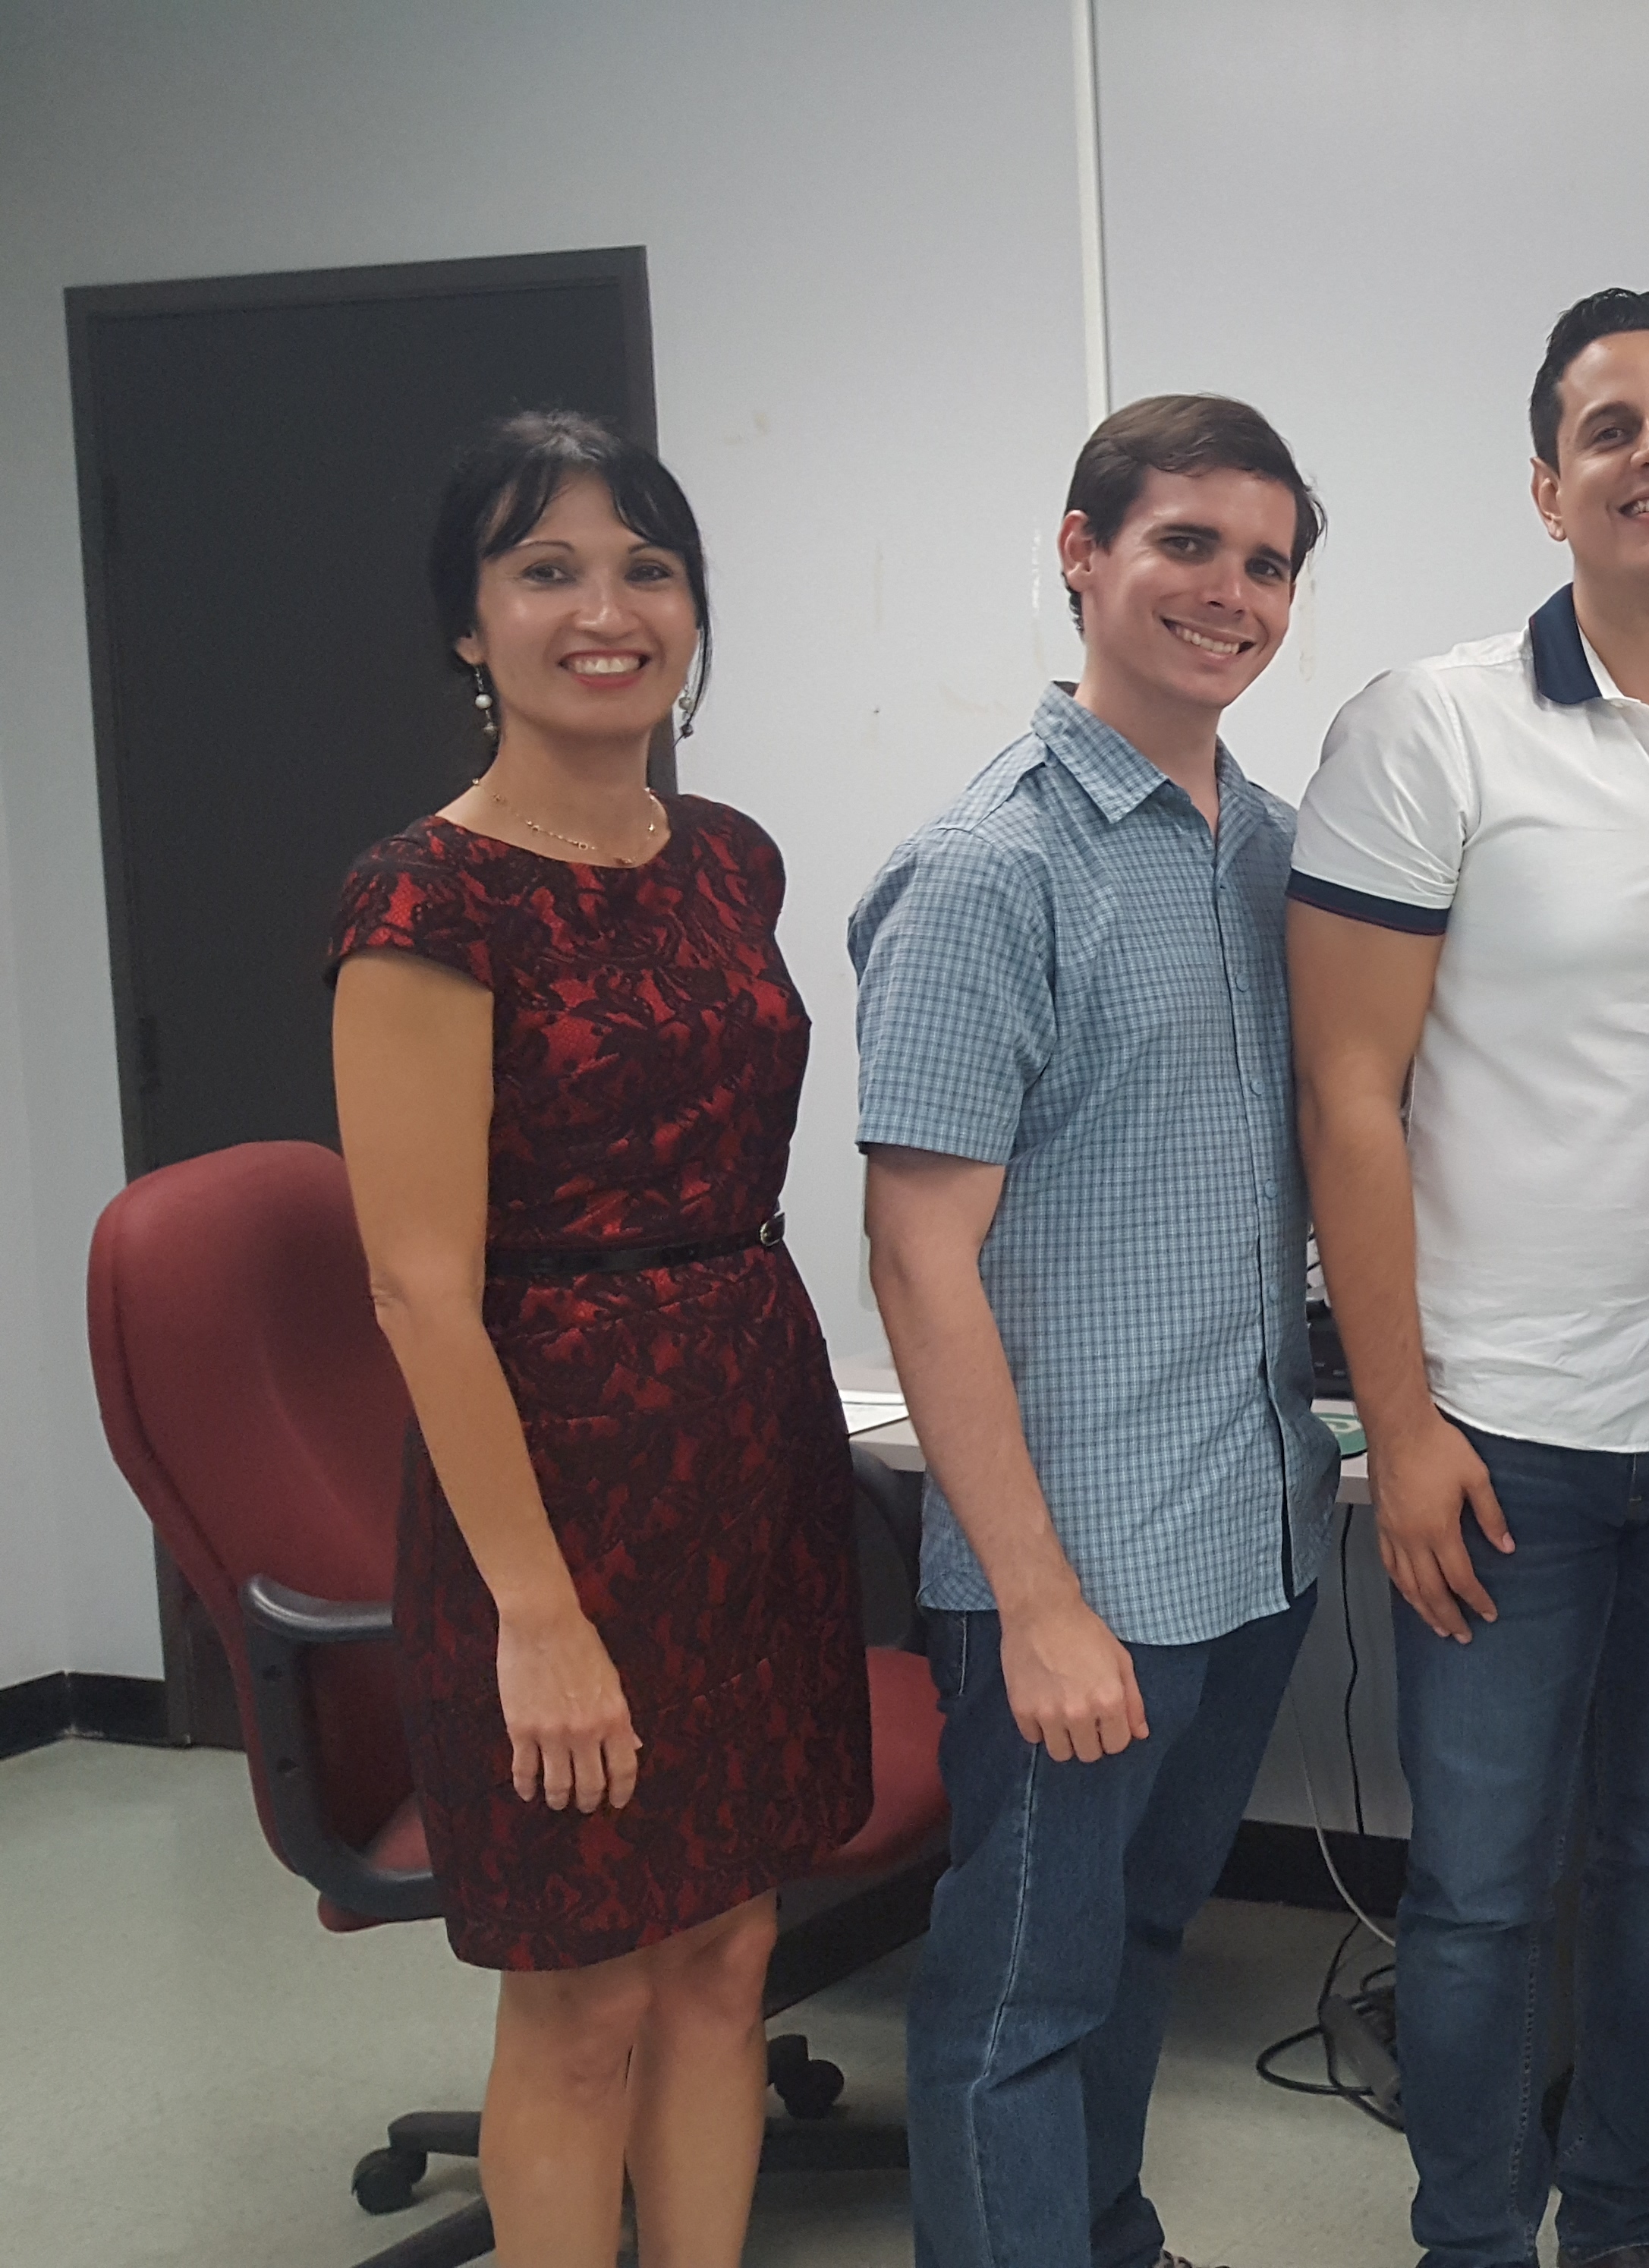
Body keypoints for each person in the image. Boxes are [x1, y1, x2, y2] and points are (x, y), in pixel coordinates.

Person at [1287, 288, 1649, 2268]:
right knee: (1472, 1889)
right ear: (1550, 487)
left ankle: (1622, 2220)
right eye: (1607, 426)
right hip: (1504, 1428)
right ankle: (1472, 2238)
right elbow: (1349, 1099)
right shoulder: (1431, 725)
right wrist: (1404, 1421)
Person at [329, 409, 870, 2268]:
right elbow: (418, 1287)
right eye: (544, 568)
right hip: (551, 1493)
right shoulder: (426, 898)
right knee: (583, 2000)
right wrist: (536, 1619)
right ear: (468, 627)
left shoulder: (734, 860)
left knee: (728, 1953)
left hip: (750, 1451)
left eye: (646, 565)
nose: (605, 608)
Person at [851, 393, 1343, 2268]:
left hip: (1250, 1535)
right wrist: (1037, 1597)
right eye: (1184, 545)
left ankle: (1105, 2236)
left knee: (1139, 1948)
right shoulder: (994, 869)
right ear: (1082, 553)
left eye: (1266, 562)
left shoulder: (1268, 854)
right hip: (1080, 1569)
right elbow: (918, 1257)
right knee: (1015, 1999)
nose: (1229, 593)